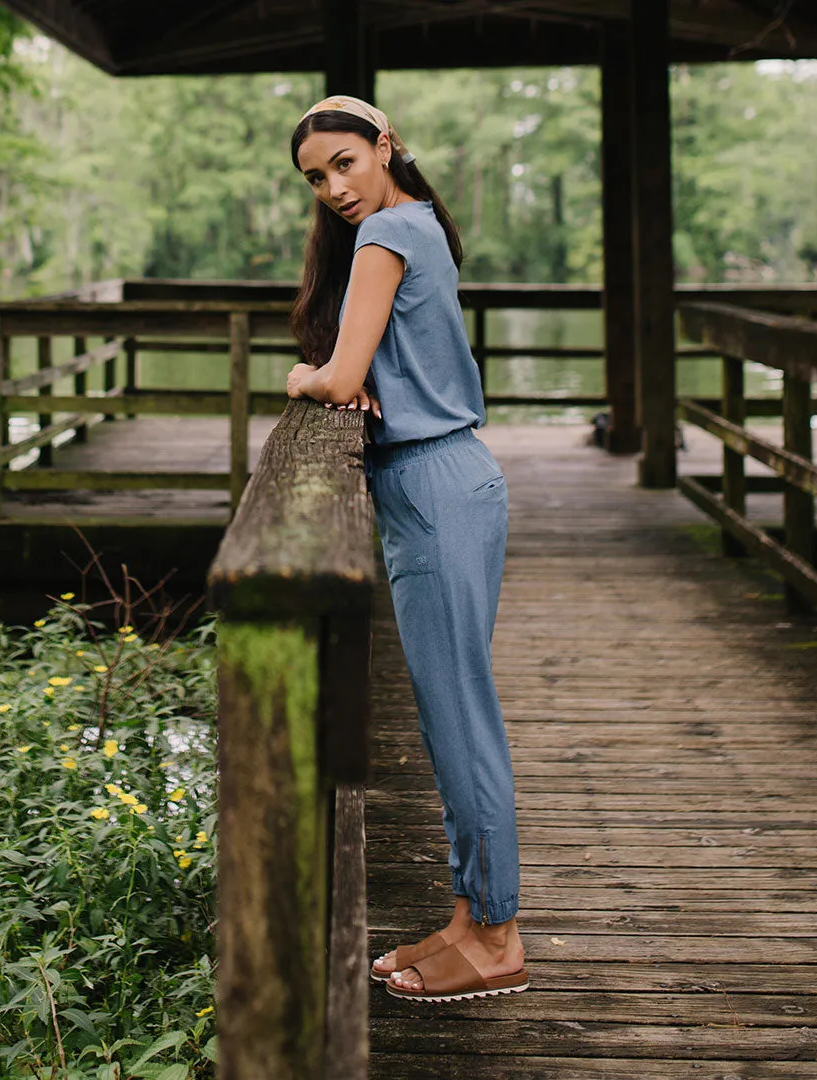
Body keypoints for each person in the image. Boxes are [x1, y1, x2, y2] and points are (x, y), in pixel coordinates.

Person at [286, 96, 527, 1003]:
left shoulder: (386, 237)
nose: (334, 187)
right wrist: (363, 382)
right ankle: (471, 917)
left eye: (345, 162)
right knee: (449, 714)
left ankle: (498, 936)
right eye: (316, 176)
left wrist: (308, 377)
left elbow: (341, 376)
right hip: (452, 479)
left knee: (461, 718)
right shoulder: (416, 223)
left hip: (434, 490)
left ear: (384, 147)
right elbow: (382, 369)